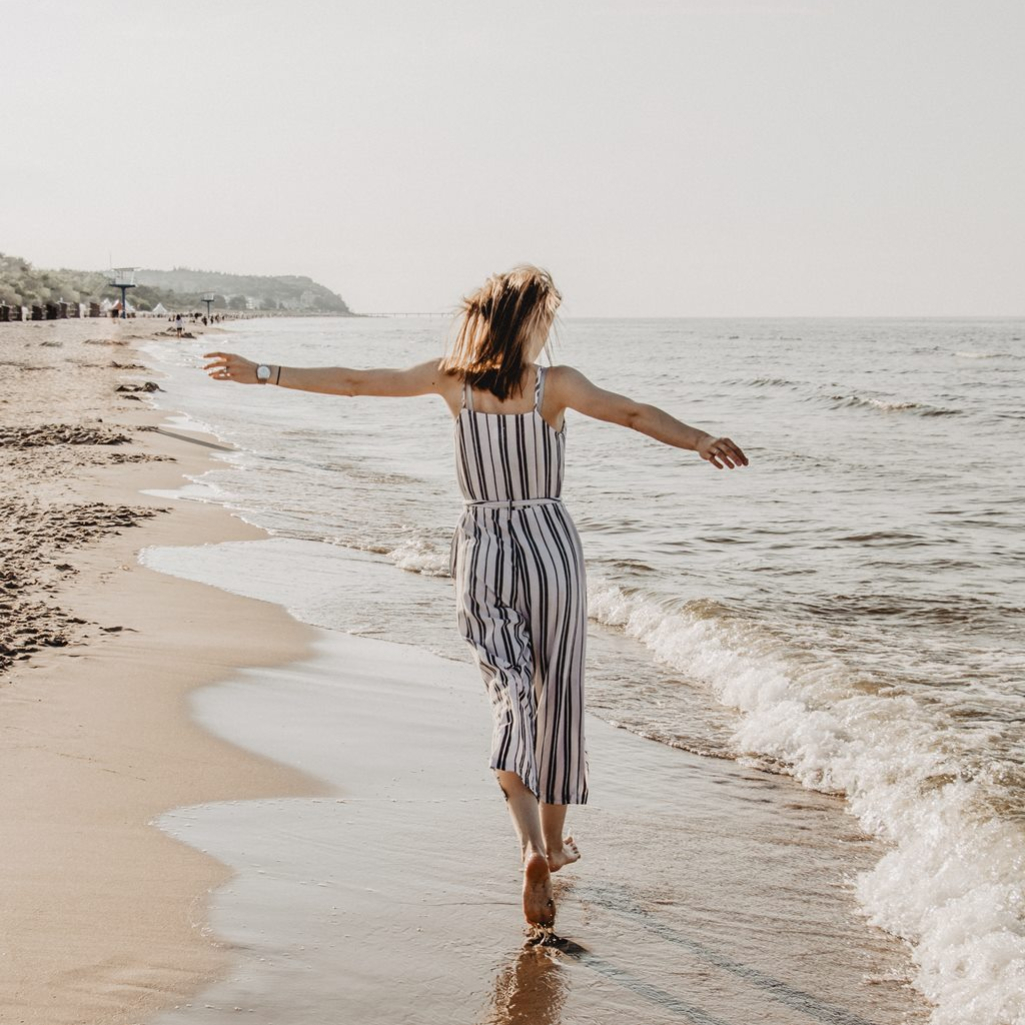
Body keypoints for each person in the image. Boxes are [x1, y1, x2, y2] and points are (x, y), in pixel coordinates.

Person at [202, 265, 748, 936]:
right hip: (548, 546)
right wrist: (698, 439)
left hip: (483, 544)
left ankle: (526, 846)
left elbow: (355, 382)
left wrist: (262, 372)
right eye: (547, 314)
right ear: (528, 321)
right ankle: (553, 845)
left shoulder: (450, 379)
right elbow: (633, 414)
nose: (551, 325)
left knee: (509, 692)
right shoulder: (556, 384)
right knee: (556, 691)